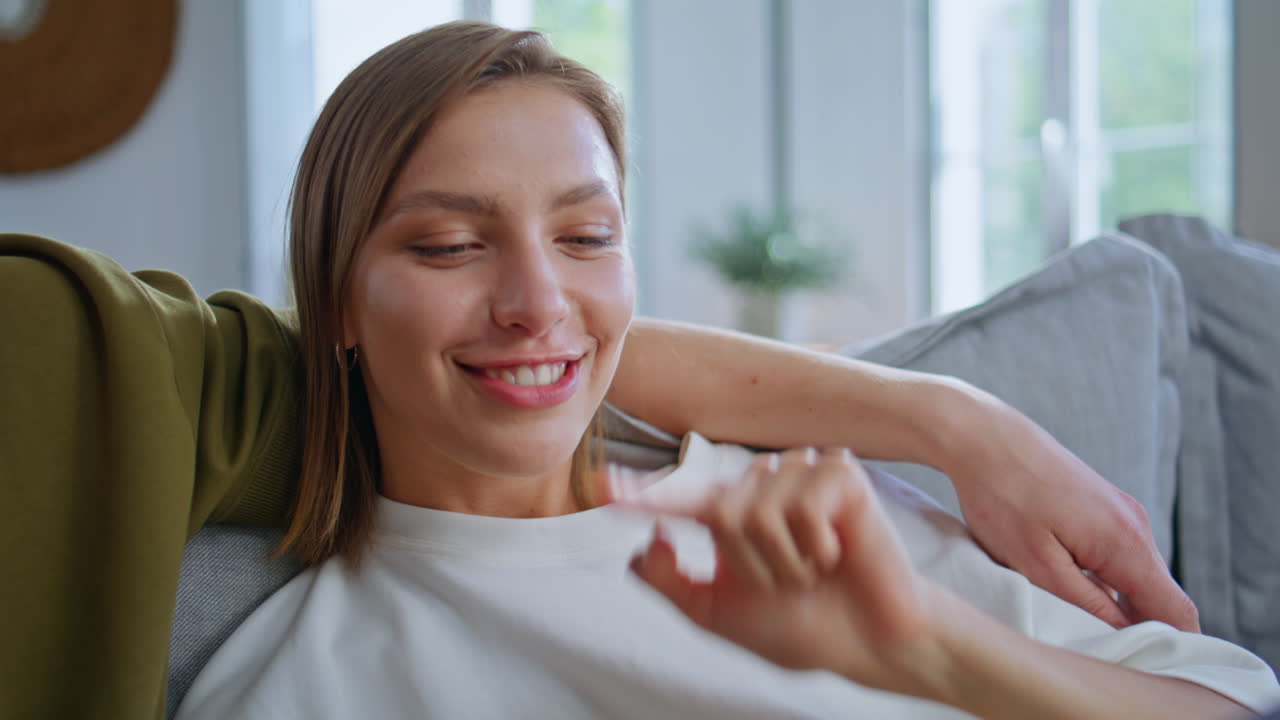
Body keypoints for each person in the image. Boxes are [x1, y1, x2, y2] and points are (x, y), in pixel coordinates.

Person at [0, 23, 1228, 720]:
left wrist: (916, 650)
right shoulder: (296, 680)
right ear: (331, 303)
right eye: (447, 244)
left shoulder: (814, 522)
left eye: (586, 238)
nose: (540, 304)